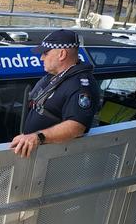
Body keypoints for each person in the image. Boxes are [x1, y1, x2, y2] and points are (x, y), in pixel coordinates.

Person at [11, 29, 100, 158]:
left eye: (45, 53)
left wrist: (38, 137)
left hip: (51, 159)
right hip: (35, 153)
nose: (41, 57)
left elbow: (76, 126)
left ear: (62, 54)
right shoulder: (56, 76)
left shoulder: (81, 86)